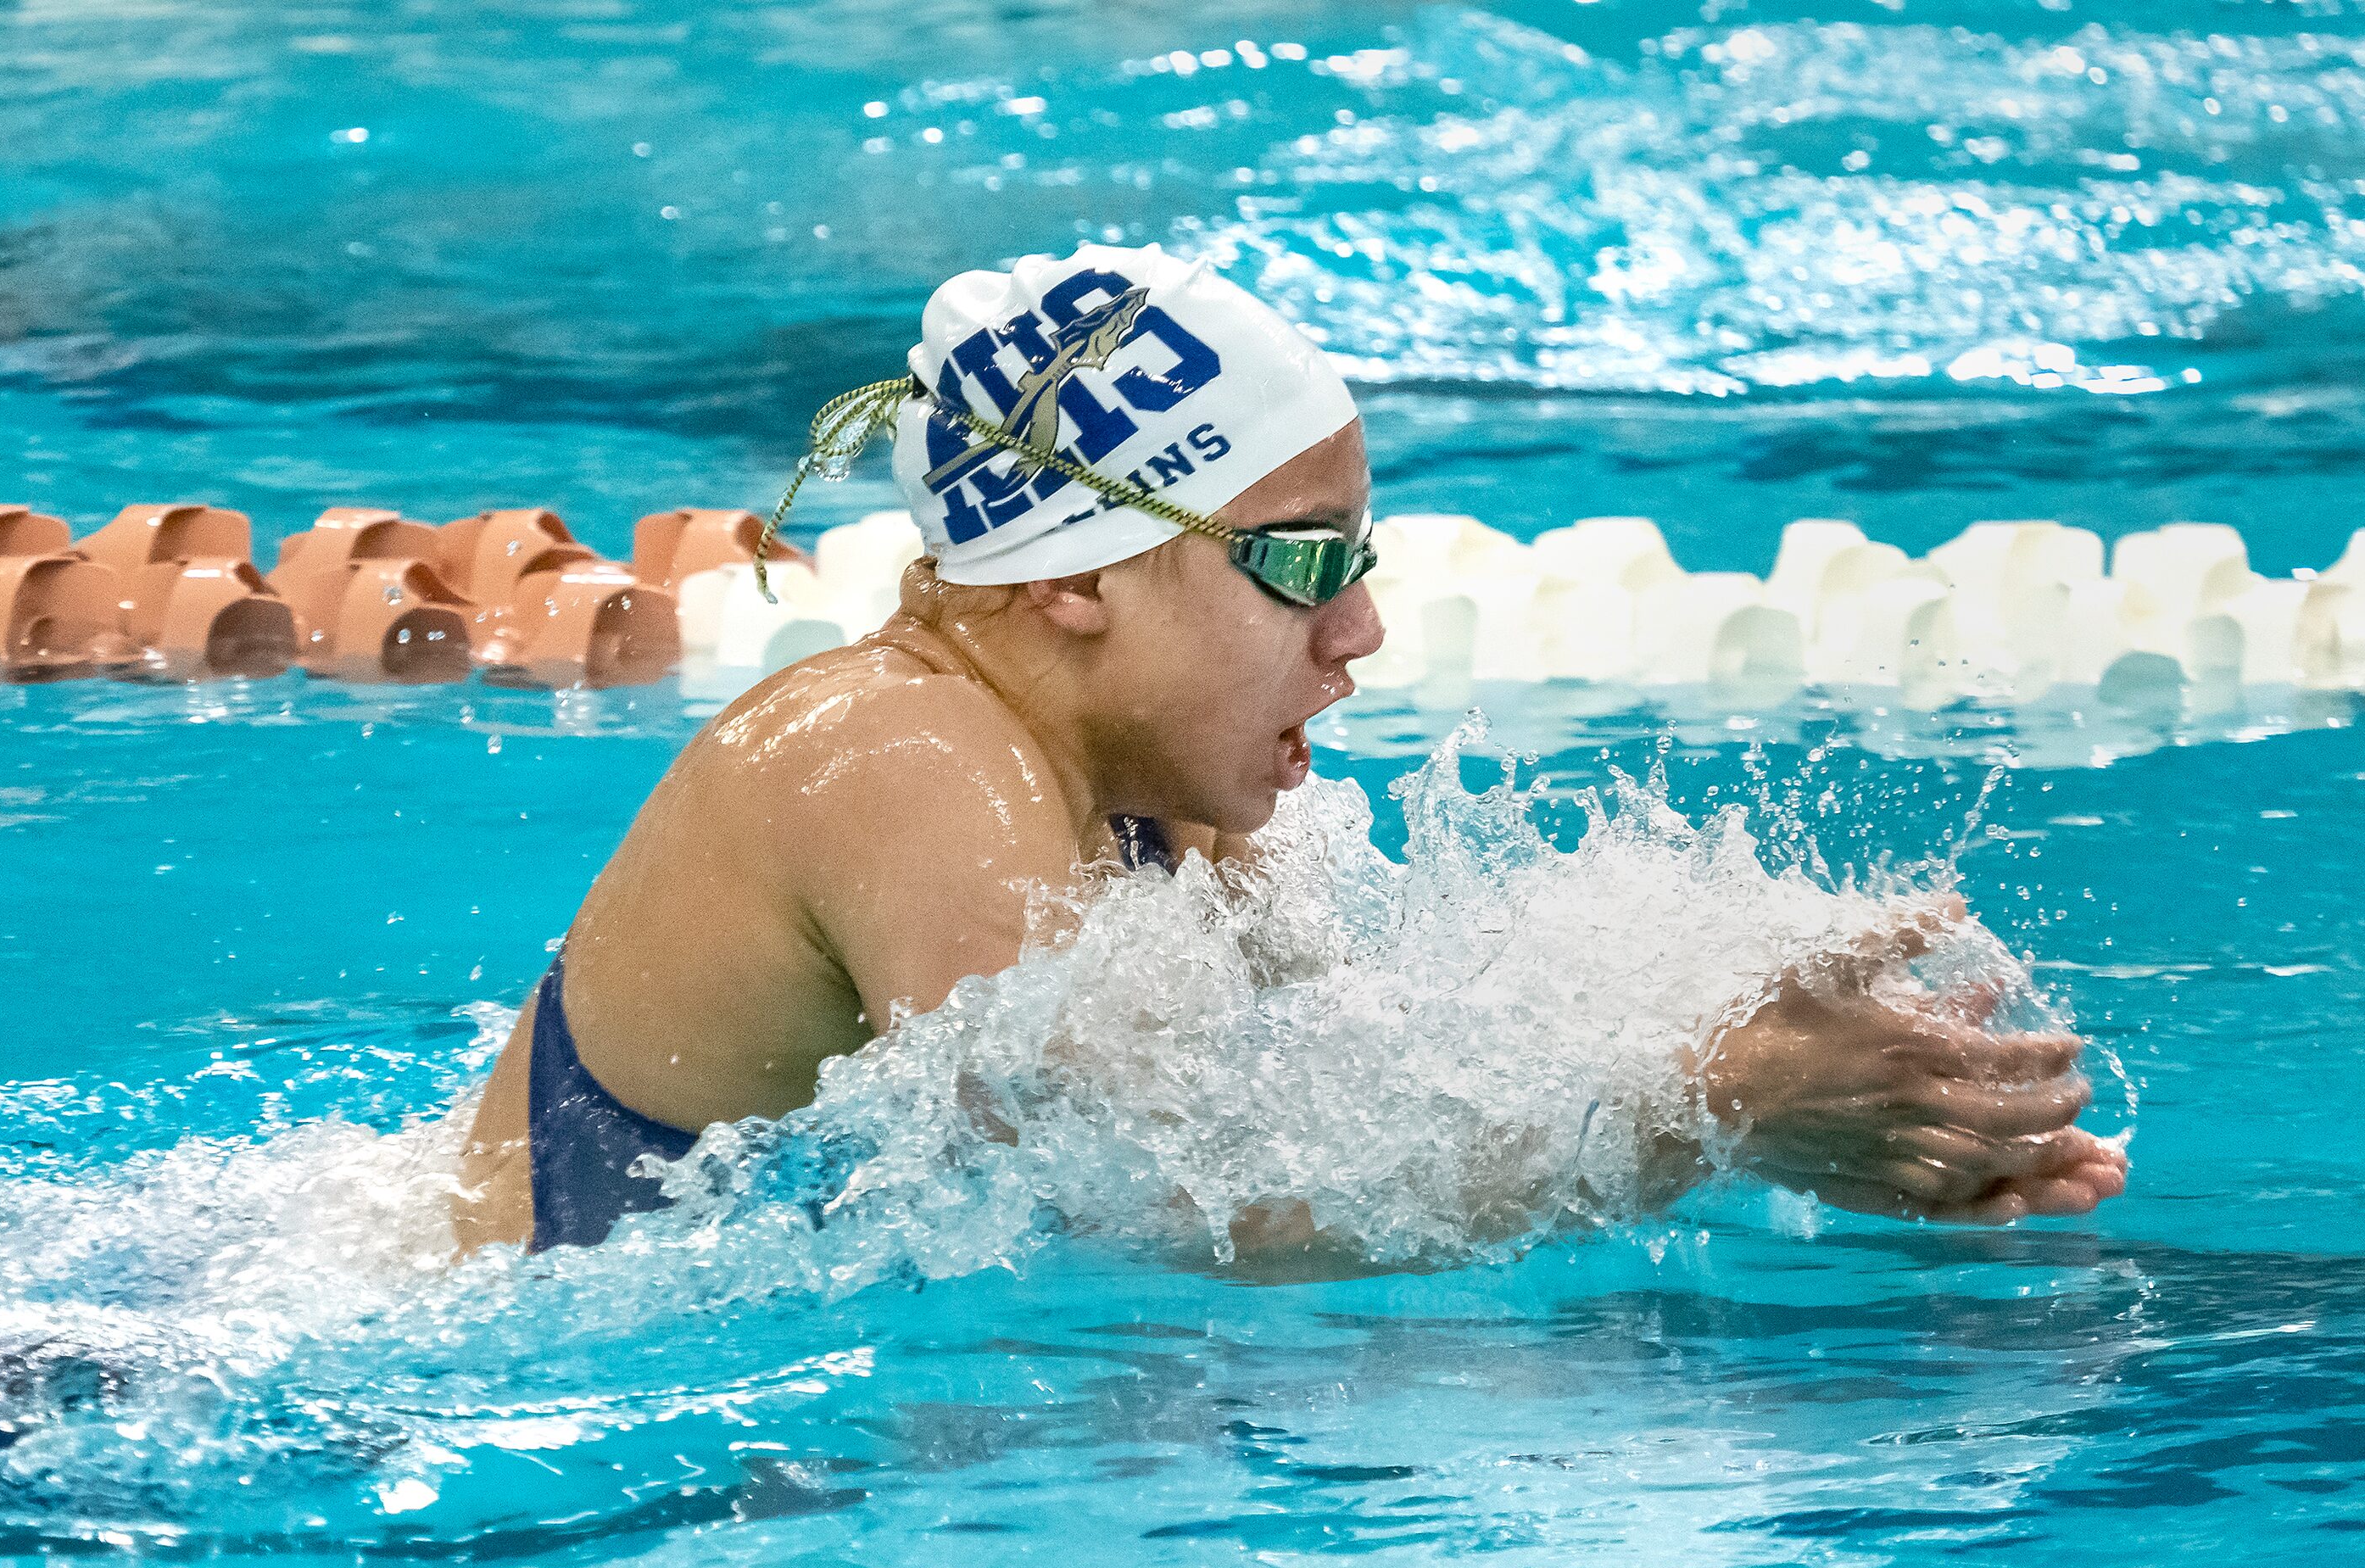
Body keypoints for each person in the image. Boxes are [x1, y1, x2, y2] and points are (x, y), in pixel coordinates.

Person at [451, 243, 2128, 1255]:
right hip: (454, 1410)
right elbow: (1151, 1206)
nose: (1360, 632)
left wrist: (1827, 1095)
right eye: (1305, 558)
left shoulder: (1163, 802)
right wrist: (1715, 1104)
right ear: (1085, 576)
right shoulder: (899, 753)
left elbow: (1358, 1114)